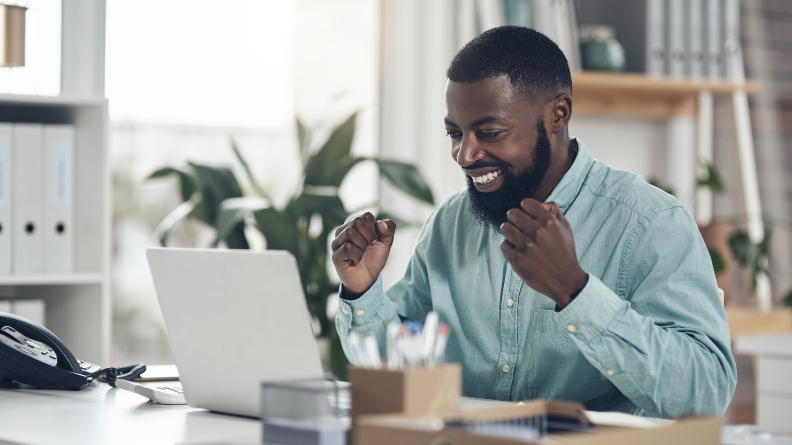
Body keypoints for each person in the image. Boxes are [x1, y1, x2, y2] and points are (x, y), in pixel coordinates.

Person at [332, 26, 736, 418]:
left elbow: (705, 396)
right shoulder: (449, 225)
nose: (464, 155)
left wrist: (575, 291)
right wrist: (362, 291)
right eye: (455, 133)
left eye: (489, 132)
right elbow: (404, 372)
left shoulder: (651, 224)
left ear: (557, 115)